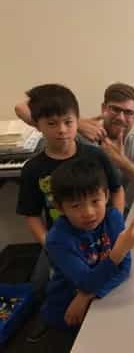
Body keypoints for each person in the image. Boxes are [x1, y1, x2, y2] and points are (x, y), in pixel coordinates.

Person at [15, 84, 125, 309]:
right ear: (37, 125)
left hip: (101, 237)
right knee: (41, 287)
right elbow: (31, 214)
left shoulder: (96, 155)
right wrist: (50, 244)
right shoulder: (33, 169)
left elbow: (116, 190)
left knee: (114, 281)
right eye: (52, 124)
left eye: (68, 122)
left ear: (78, 121)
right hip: (63, 242)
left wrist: (116, 227)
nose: (62, 130)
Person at [35, 157, 134, 346]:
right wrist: (116, 254)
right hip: (67, 315)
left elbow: (125, 268)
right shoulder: (57, 239)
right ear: (60, 207)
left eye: (95, 201)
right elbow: (87, 280)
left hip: (100, 303)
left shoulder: (113, 218)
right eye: (76, 205)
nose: (89, 212)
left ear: (106, 196)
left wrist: (86, 295)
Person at [15, 82, 134, 199]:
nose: (121, 117)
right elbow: (21, 108)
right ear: (103, 108)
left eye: (128, 113)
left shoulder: (133, 144)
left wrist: (120, 161)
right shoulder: (72, 135)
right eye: (115, 109)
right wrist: (77, 123)